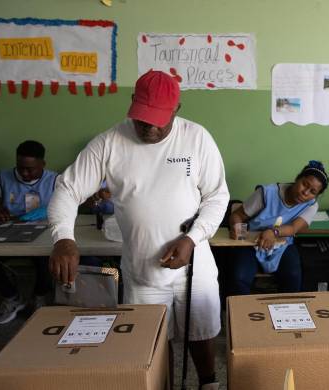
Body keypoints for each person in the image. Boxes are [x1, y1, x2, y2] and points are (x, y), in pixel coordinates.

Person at [47, 70, 229, 390]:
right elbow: (67, 189)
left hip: (194, 262)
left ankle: (209, 383)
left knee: (202, 329)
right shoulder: (109, 143)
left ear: (177, 108)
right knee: (152, 342)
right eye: (143, 118)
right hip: (143, 269)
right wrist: (63, 238)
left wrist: (193, 238)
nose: (150, 127)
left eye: (160, 119)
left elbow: (218, 195)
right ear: (132, 103)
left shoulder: (197, 138)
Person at [0, 140, 58, 324]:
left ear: (43, 164)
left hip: (43, 234)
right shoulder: (4, 177)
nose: (24, 173)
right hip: (10, 234)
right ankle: (12, 297)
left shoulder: (55, 180)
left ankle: (39, 297)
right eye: (20, 167)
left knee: (48, 259)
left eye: (30, 169)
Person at [226, 161, 329, 296]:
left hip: (282, 244)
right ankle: (242, 313)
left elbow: (293, 228)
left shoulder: (311, 205)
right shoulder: (267, 193)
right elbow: (237, 215)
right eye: (305, 184)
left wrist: (273, 232)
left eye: (312, 192)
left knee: (293, 276)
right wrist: (238, 230)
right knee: (239, 277)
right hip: (252, 242)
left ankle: (284, 312)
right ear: (297, 179)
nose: (305, 192)